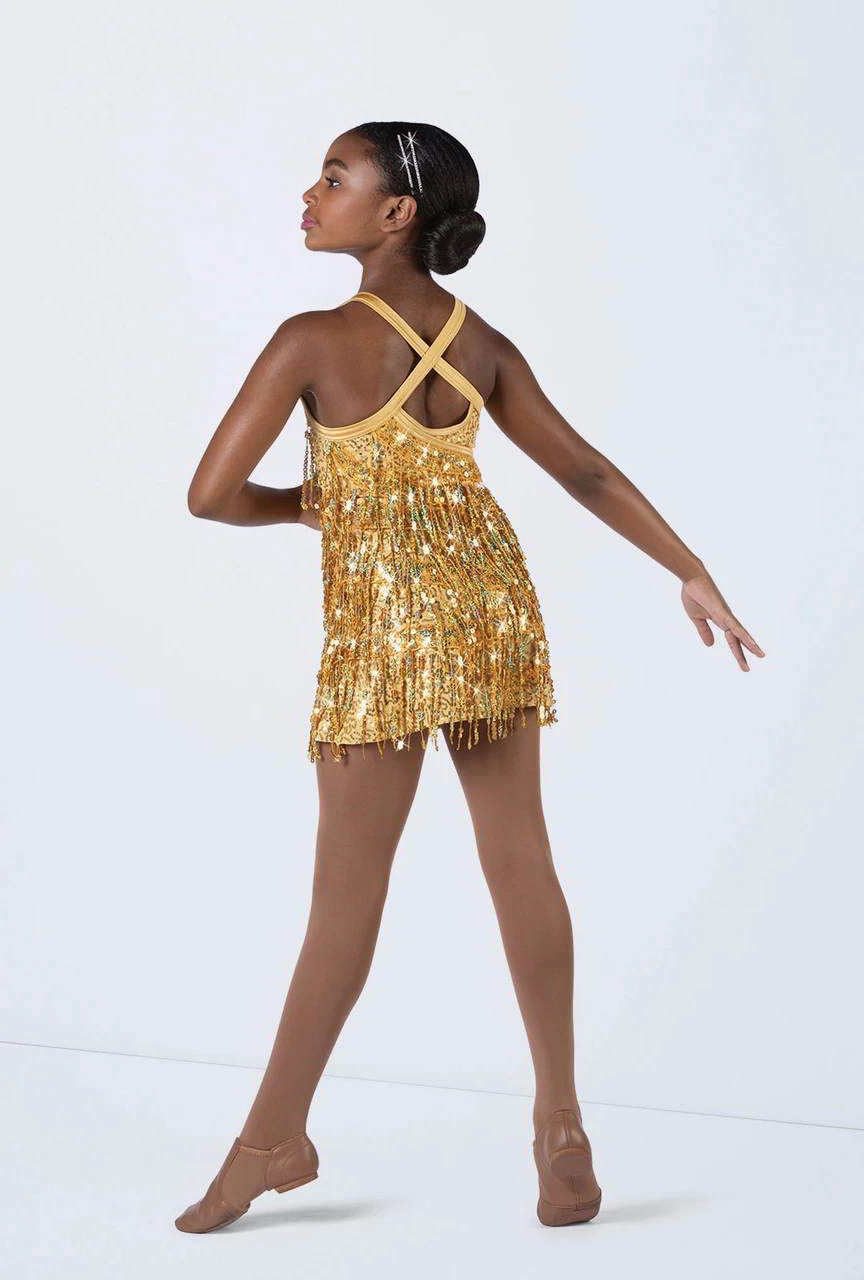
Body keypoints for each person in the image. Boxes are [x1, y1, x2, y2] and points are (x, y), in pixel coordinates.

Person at [174, 121, 765, 1234]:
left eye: (334, 178)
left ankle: (270, 1140)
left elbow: (210, 495)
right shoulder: (478, 339)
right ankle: (561, 1129)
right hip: (493, 609)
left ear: (396, 212)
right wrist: (690, 571)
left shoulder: (311, 339)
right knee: (521, 863)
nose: (310, 193)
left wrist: (306, 505)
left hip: (385, 639)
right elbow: (585, 469)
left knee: (345, 901)